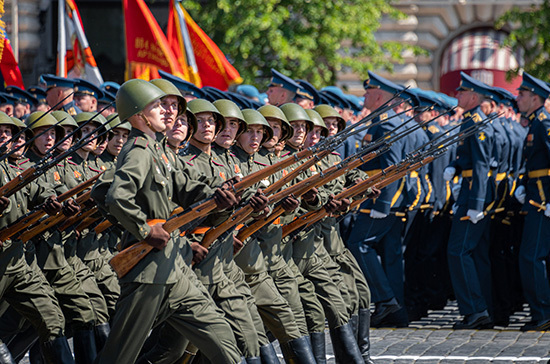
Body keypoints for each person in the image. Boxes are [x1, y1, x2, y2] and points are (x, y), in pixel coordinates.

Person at [93, 79, 243, 364]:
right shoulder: (139, 150)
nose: (166, 111)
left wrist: (217, 196)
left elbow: (185, 186)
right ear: (138, 114)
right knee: (119, 356)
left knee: (222, 338)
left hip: (176, 268)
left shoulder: (158, 151)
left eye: (164, 106)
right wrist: (144, 230)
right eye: (156, 106)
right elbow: (115, 196)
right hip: (148, 271)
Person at [443, 72, 495, 329]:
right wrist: (454, 165)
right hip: (467, 194)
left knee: (459, 251)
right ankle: (481, 309)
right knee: (472, 253)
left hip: (474, 196)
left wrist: (476, 204)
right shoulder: (469, 121)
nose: (457, 96)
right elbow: (468, 158)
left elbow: (482, 165)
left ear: (473, 97)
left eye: (461, 92)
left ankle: (475, 310)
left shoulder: (477, 122)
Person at [513, 72, 550, 331]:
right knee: (530, 256)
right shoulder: (535, 123)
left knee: (532, 256)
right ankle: (540, 312)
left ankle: (543, 312)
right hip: (535, 197)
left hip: (543, 201)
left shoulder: (544, 124)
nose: (518, 98)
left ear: (535, 98)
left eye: (522, 94)